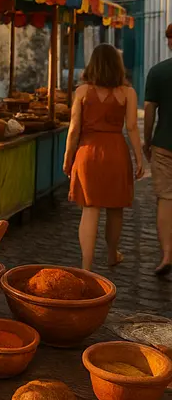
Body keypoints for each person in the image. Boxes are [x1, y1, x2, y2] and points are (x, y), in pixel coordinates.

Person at [64, 44, 144, 272]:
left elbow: (74, 130)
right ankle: (111, 254)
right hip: (116, 152)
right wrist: (139, 158)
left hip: (87, 153)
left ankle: (86, 266)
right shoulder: (128, 93)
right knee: (115, 208)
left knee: (90, 209)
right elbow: (132, 127)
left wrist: (68, 157)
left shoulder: (82, 92)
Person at [144, 23, 172, 276]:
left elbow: (150, 111)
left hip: (164, 145)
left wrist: (147, 141)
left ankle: (167, 255)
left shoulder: (158, 72)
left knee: (166, 198)